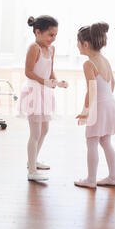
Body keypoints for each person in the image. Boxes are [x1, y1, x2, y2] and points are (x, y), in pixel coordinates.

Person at [18, 15, 69, 181]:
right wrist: (45, 82)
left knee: (45, 129)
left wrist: (56, 81)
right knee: (35, 132)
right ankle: (31, 171)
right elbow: (29, 72)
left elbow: (50, 69)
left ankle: (32, 161)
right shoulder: (34, 48)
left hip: (45, 92)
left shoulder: (51, 49)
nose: (53, 39)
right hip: (34, 92)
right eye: (50, 35)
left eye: (55, 35)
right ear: (38, 32)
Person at [75, 22, 115, 188]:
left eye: (78, 43)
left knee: (91, 142)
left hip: (98, 107)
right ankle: (113, 176)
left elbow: (91, 91)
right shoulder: (105, 60)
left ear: (86, 44)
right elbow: (113, 83)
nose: (77, 46)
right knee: (106, 142)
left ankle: (91, 179)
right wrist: (106, 99)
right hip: (110, 104)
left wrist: (85, 111)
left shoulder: (88, 64)